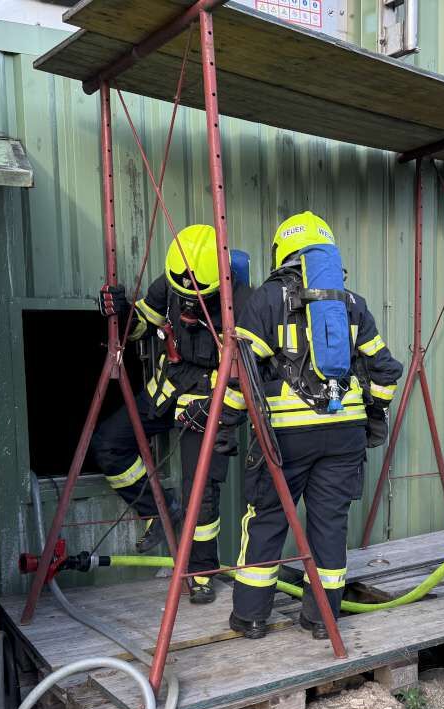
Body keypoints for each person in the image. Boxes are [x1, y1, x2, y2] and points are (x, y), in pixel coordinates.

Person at [228, 211, 403, 639]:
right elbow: (385, 372)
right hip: (344, 434)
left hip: (285, 437)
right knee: (329, 523)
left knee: (267, 517)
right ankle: (322, 619)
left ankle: (251, 617)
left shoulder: (265, 301)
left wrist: (222, 426)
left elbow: (239, 374)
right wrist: (373, 414)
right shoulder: (351, 303)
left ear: (283, 252)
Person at [90, 224, 250, 603]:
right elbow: (142, 326)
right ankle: (161, 508)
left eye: (199, 302)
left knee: (203, 490)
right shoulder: (171, 282)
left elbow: (250, 374)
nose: (189, 309)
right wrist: (123, 310)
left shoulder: (242, 301)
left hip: (204, 406)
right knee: (109, 445)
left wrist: (215, 407)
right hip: (164, 392)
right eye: (184, 300)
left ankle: (201, 570)